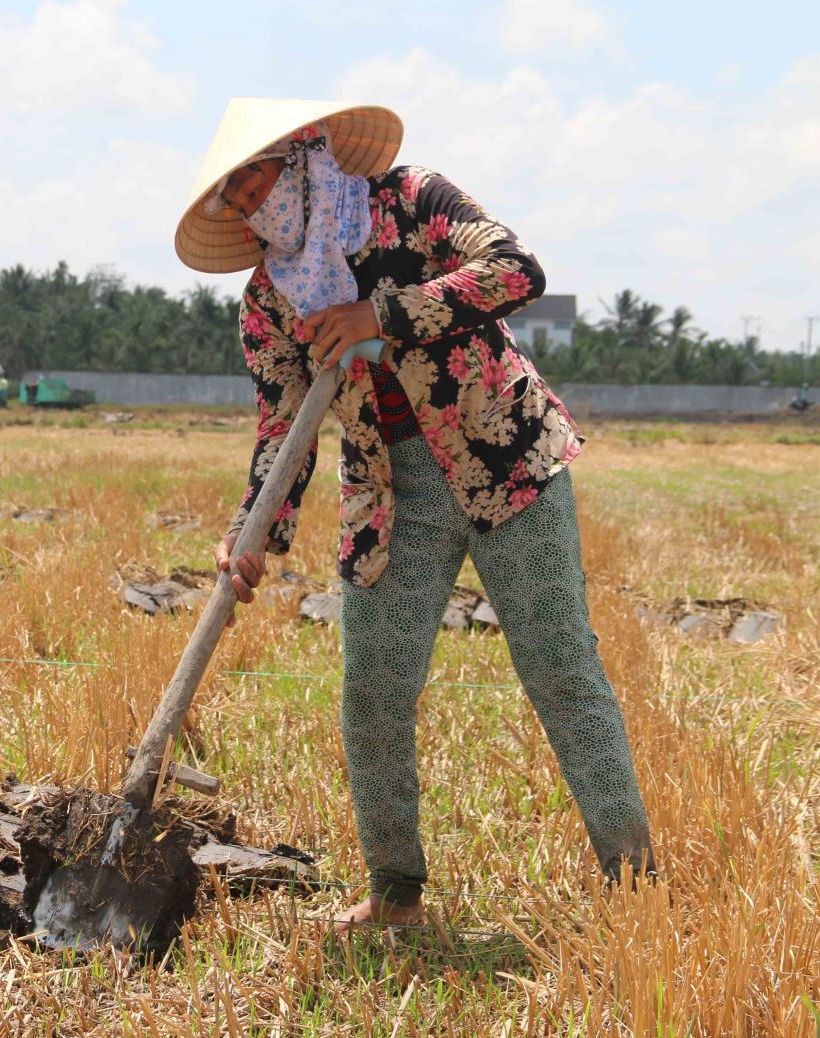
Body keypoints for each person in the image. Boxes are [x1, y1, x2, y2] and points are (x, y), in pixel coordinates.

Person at [174, 98, 656, 930]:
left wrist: (380, 317)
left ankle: (636, 881)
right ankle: (396, 894)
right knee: (373, 692)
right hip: (388, 492)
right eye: (236, 198)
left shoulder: (409, 201)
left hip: (506, 459)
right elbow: (281, 427)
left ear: (299, 152)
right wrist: (252, 534)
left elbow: (515, 269)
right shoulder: (269, 303)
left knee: (562, 672)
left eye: (254, 178)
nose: (251, 203)